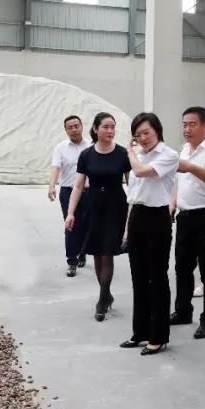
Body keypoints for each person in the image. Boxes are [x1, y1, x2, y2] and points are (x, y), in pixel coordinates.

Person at [120, 112, 180, 355]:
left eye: (146, 132)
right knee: (138, 277)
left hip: (157, 219)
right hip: (137, 216)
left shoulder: (169, 155)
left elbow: (142, 172)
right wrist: (127, 230)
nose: (142, 138)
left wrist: (130, 151)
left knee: (157, 277)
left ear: (157, 130)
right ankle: (140, 332)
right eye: (138, 135)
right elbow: (133, 197)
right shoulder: (141, 155)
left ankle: (158, 336)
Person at [65, 112, 130, 322]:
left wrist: (133, 212)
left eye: (113, 127)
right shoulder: (86, 155)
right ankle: (107, 294)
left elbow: (133, 185)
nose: (110, 131)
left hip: (115, 206)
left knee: (107, 252)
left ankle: (102, 300)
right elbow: (78, 185)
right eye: (106, 127)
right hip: (93, 206)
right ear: (95, 129)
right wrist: (70, 213)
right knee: (96, 253)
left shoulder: (122, 153)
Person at [170, 107, 205, 339]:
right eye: (184, 124)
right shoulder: (185, 149)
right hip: (185, 216)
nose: (187, 129)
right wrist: (173, 203)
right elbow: (179, 181)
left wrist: (191, 167)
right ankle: (183, 310)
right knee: (182, 268)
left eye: (192, 124)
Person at [49, 115, 91, 276]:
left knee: (87, 225)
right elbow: (56, 167)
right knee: (71, 225)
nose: (74, 129)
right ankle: (72, 261)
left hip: (88, 192)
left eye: (76, 126)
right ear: (65, 130)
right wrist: (52, 186)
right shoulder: (60, 148)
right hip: (68, 191)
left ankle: (82, 253)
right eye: (70, 127)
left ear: (82, 126)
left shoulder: (92, 145)